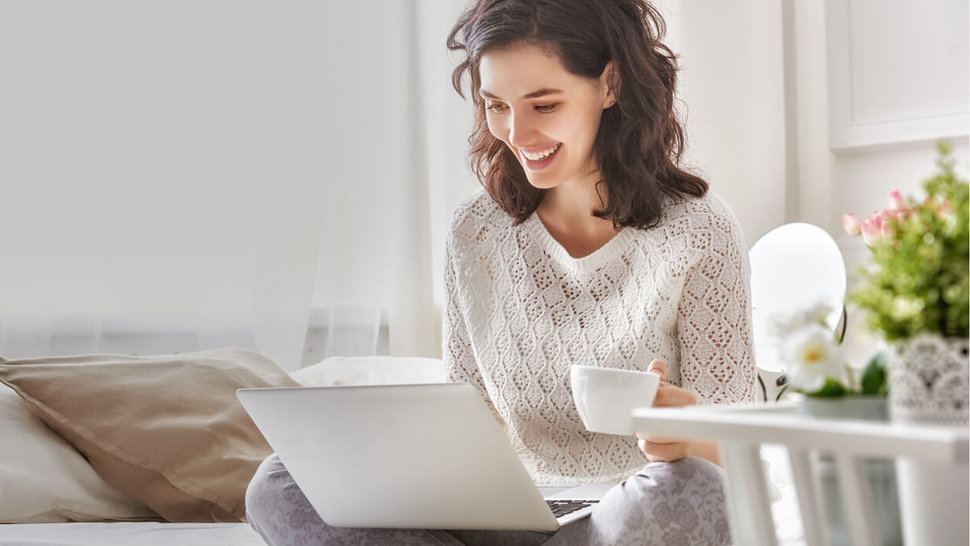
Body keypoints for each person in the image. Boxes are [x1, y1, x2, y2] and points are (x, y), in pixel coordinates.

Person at [245, 0, 756, 544]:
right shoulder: (475, 231)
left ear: (610, 84)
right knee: (280, 481)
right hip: (510, 518)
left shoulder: (698, 230)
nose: (518, 133)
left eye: (544, 104)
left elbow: (736, 458)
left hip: (626, 515)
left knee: (689, 489)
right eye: (496, 105)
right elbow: (470, 423)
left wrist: (683, 439)